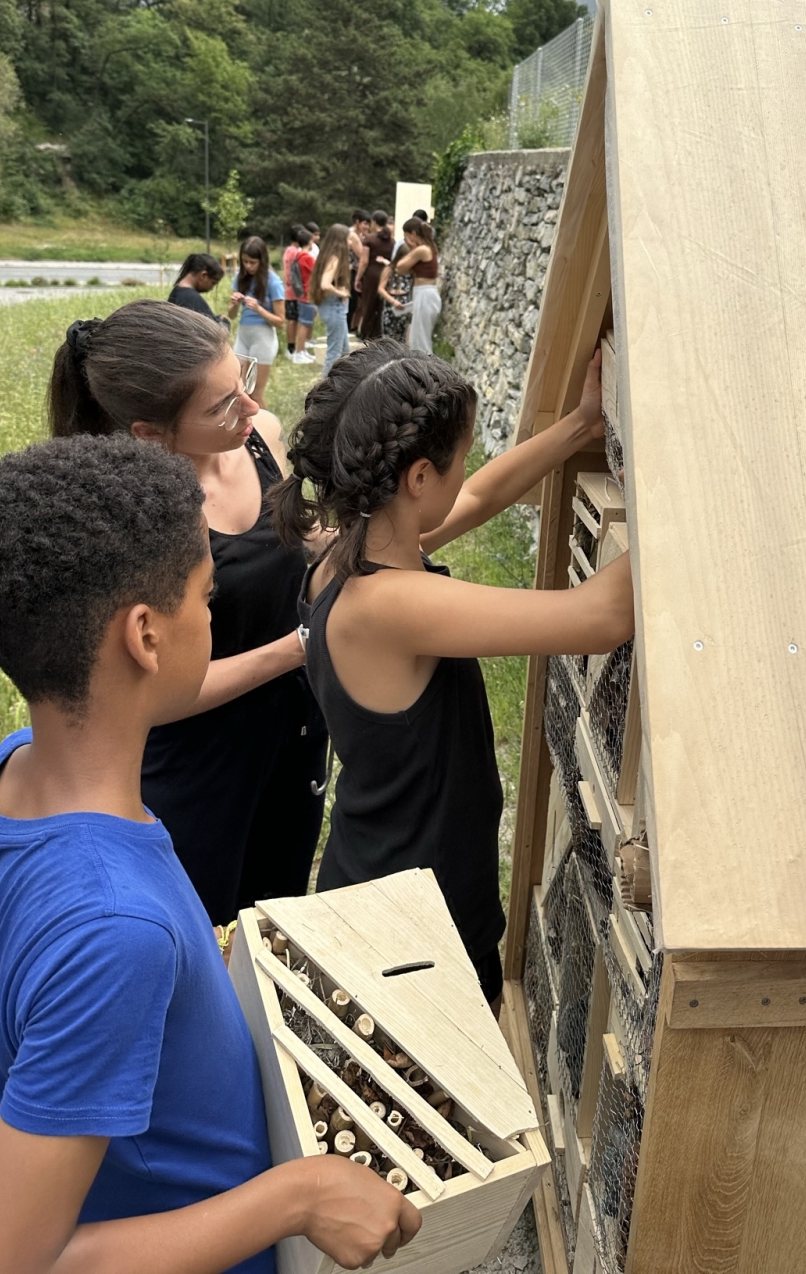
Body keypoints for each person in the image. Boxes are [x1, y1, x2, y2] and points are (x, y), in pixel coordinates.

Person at [0, 435, 420, 1274]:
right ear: (147, 638)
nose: (214, 610)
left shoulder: (11, 772)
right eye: (208, 595)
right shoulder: (114, 929)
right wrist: (296, 1198)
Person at [268, 343, 633, 1007]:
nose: (467, 470)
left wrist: (582, 424)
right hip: (413, 932)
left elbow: (482, 493)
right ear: (416, 479)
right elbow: (602, 615)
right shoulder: (391, 605)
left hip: (384, 878)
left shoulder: (354, 553)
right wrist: (688, 485)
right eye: (460, 455)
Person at [48, 302, 329, 929]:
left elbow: (297, 539)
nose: (250, 410)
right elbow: (156, 697)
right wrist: (299, 648)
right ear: (150, 432)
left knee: (275, 923)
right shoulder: (131, 522)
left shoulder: (262, 440)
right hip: (197, 768)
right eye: (223, 406)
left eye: (243, 383)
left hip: (292, 739)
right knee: (204, 934)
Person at [230, 236, 286, 409]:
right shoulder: (240, 277)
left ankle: (268, 432)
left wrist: (259, 309)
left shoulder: (273, 282)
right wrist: (233, 304)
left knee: (255, 394)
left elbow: (281, 322)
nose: (248, 266)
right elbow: (232, 315)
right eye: (245, 262)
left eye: (252, 262)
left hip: (263, 338)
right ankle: (247, 433)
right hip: (243, 335)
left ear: (262, 260)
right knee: (239, 390)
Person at [310, 223, 352, 374]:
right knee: (334, 353)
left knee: (344, 350)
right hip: (333, 307)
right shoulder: (335, 259)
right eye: (348, 239)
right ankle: (324, 389)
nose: (350, 243)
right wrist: (342, 293)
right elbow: (325, 284)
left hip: (330, 306)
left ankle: (341, 384)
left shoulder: (326, 256)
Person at [395, 218, 441, 354]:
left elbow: (399, 267)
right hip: (423, 294)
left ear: (413, 234)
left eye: (406, 237)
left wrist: (412, 247)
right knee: (417, 338)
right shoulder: (428, 249)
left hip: (425, 294)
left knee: (421, 341)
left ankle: (427, 370)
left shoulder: (422, 249)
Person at [353, 211, 394, 341]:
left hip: (371, 276)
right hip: (385, 275)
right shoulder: (392, 241)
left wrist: (358, 278)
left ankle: (365, 334)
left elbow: (364, 261)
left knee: (368, 305)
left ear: (374, 222)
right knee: (381, 307)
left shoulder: (369, 239)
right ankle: (378, 335)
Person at [169, 252, 225, 324]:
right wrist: (224, 321)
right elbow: (213, 329)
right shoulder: (191, 298)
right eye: (213, 283)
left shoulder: (176, 292)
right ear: (203, 275)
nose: (212, 288)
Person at [290, 232, 319, 365]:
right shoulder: (306, 257)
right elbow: (317, 270)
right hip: (307, 294)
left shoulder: (299, 255)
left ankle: (302, 351)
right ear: (309, 242)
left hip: (303, 293)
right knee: (304, 324)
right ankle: (299, 352)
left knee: (305, 323)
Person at [281, 226, 310, 356]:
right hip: (294, 292)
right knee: (293, 320)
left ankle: (293, 346)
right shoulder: (295, 253)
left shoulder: (288, 250)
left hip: (290, 290)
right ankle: (292, 347)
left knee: (295, 319)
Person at [378, 235, 412, 345]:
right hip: (391, 305)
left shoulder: (411, 272)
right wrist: (393, 301)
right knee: (388, 337)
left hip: (405, 306)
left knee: (402, 338)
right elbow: (381, 289)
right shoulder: (389, 269)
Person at [347, 210, 369, 335]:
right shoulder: (352, 235)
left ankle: (354, 327)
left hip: (355, 271)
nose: (367, 227)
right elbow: (362, 255)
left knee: (358, 304)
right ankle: (349, 327)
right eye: (364, 224)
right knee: (353, 303)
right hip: (351, 272)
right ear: (357, 222)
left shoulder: (359, 235)